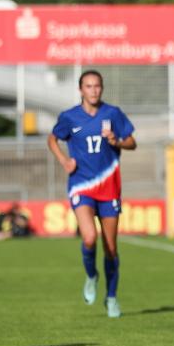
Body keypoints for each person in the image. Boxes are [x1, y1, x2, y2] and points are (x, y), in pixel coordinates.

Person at [47, 70, 136, 317]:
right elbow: (52, 139)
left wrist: (116, 141)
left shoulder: (113, 114)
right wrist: (64, 161)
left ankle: (111, 297)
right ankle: (91, 275)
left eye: (97, 86)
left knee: (110, 248)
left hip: (109, 188)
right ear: (81, 89)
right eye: (89, 86)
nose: (93, 90)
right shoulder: (69, 117)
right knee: (88, 238)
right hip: (81, 186)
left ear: (102, 88)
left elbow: (132, 142)